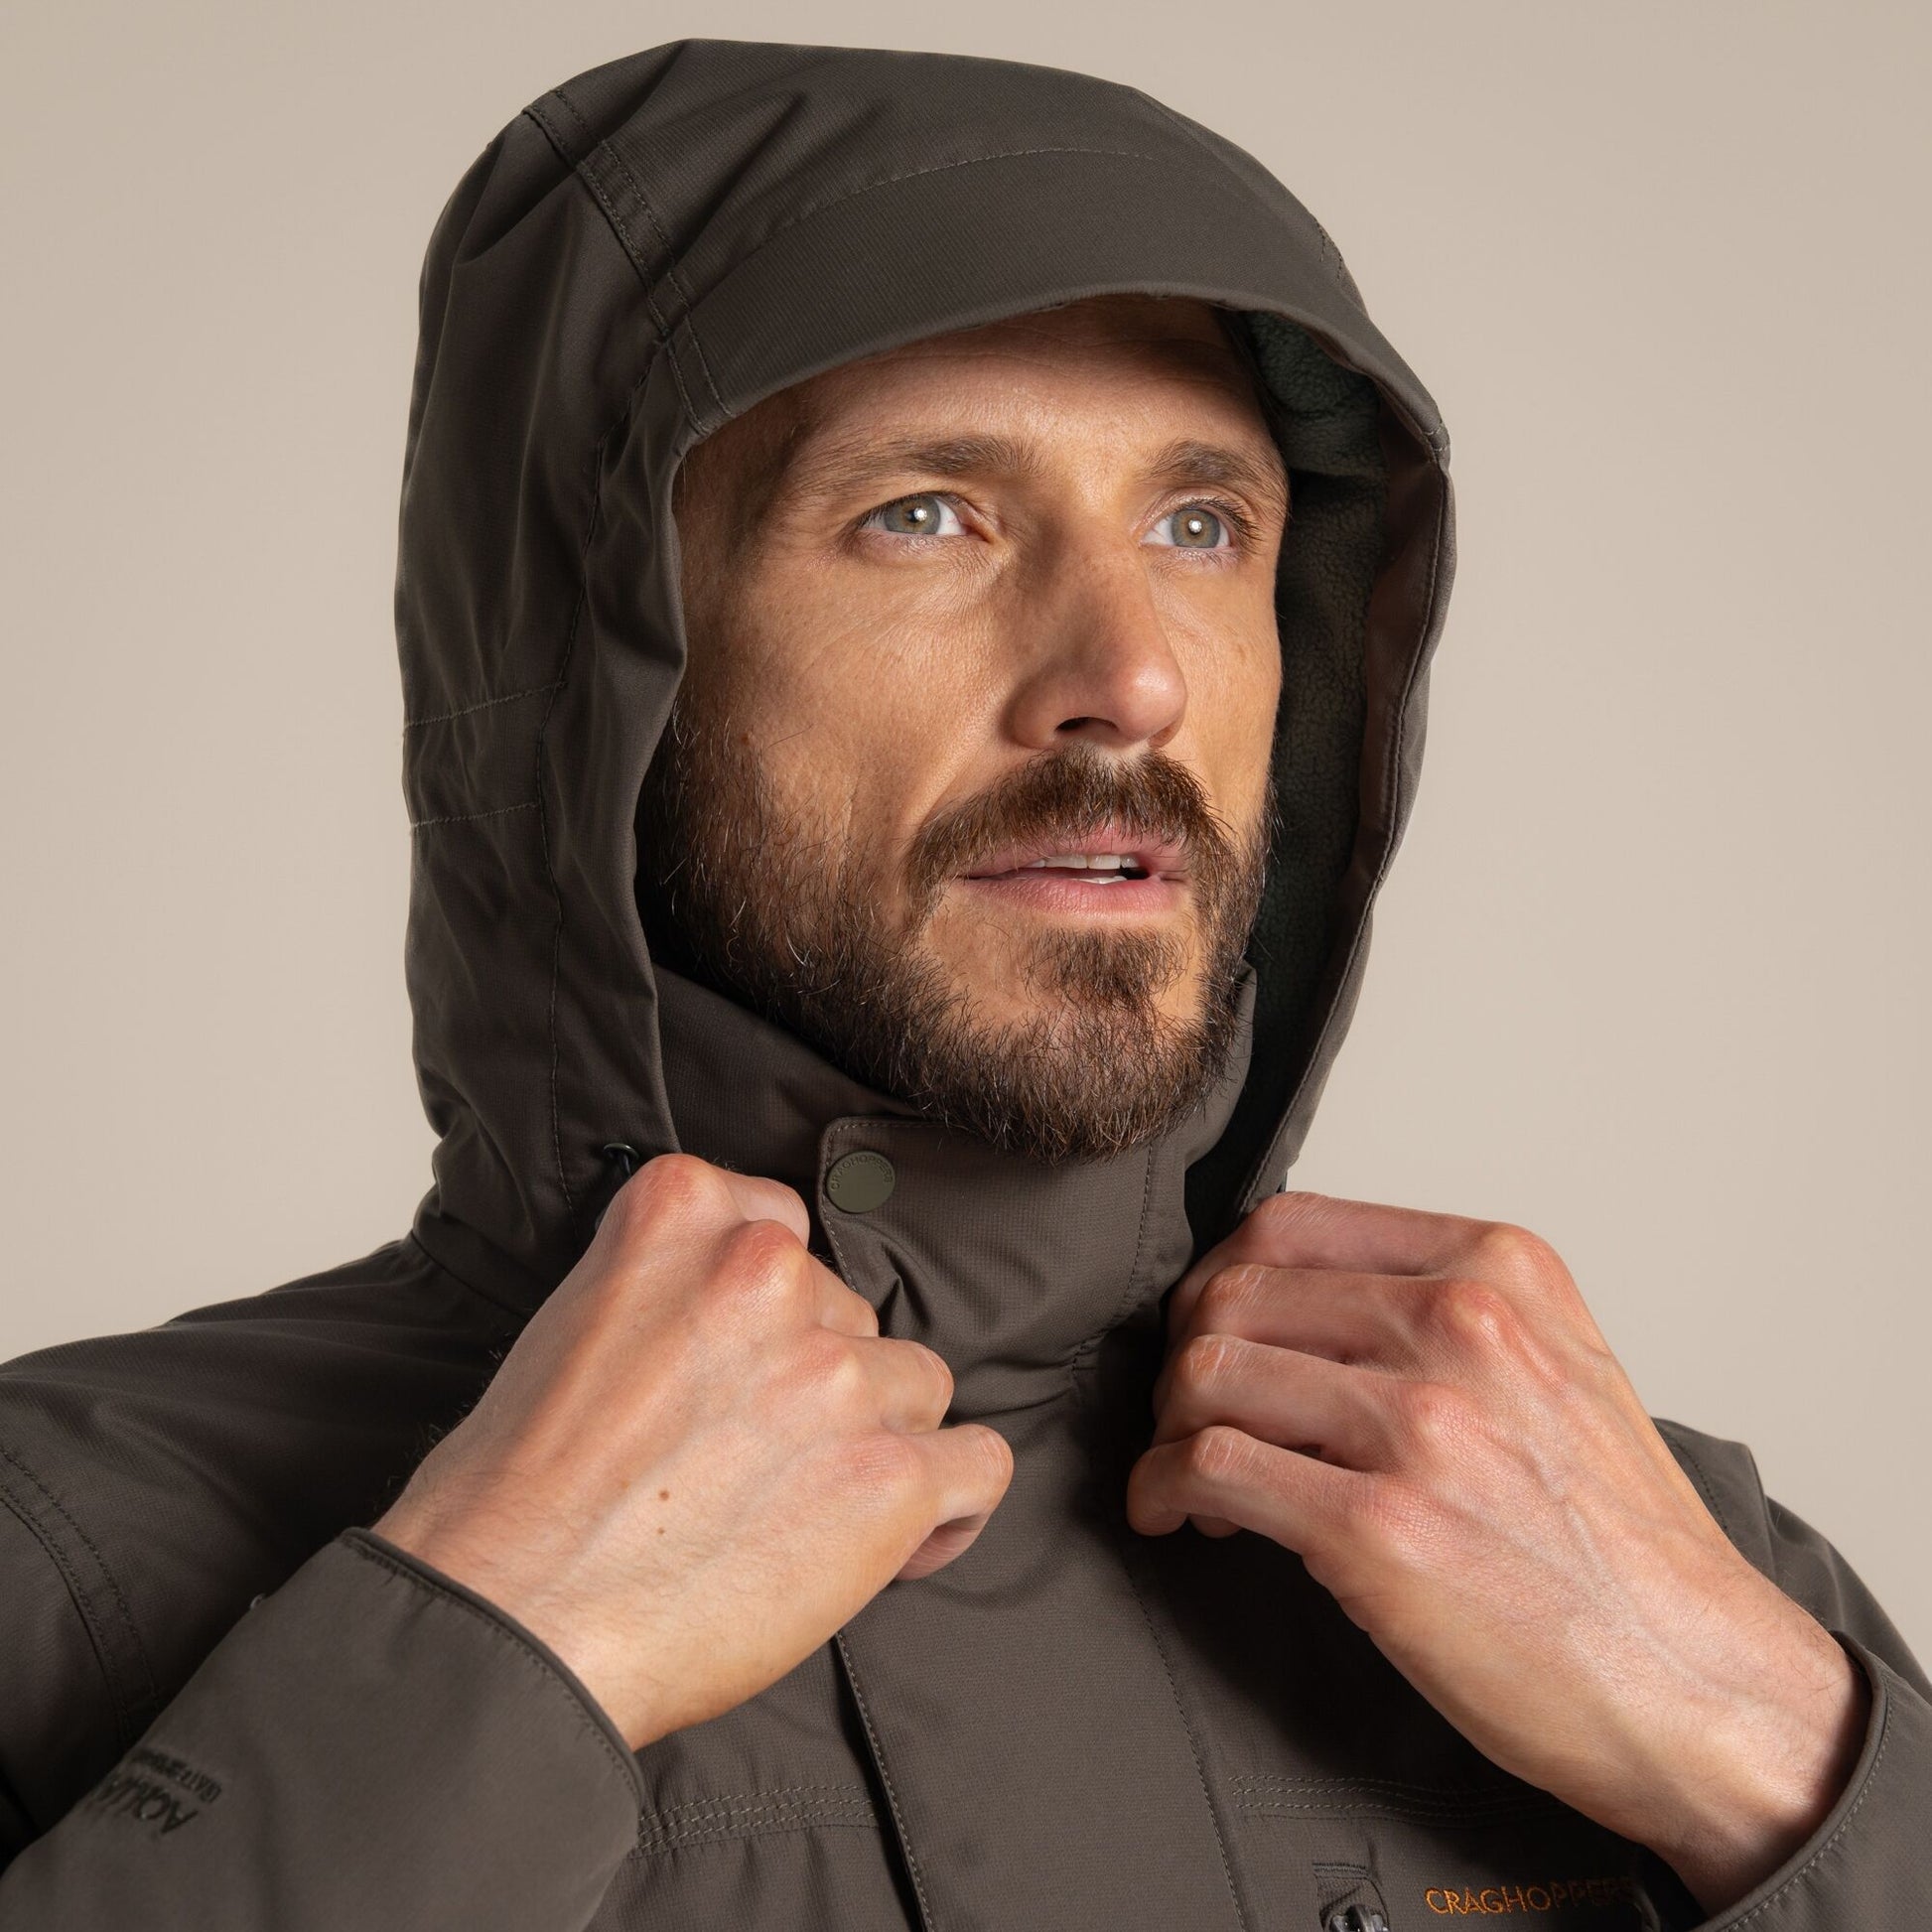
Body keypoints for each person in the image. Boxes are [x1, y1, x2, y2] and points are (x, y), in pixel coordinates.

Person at [0, 37, 1922, 1932]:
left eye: (1200, 526)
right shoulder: (66, 1553)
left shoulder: (1650, 1556)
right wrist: (484, 1666)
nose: (1131, 675)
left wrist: (1768, 1743)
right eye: (922, 512)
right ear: (592, 662)